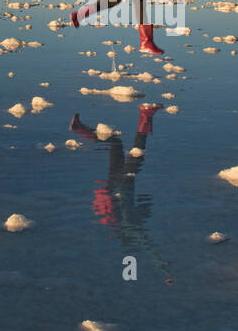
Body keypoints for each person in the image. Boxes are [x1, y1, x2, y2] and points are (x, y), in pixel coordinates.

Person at [70, 104, 173, 285]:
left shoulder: (131, 226)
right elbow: (143, 207)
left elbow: (148, 246)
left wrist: (163, 268)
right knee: (116, 143)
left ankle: (145, 115)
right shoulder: (120, 223)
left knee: (138, 153)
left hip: (124, 182)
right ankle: (80, 129)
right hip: (112, 184)